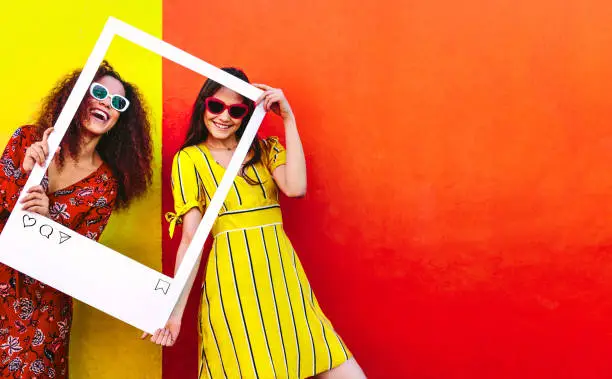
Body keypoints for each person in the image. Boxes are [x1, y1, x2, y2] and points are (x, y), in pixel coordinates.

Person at [147, 67, 366, 378]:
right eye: (216, 106)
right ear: (203, 106)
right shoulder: (189, 160)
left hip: (283, 279)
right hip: (233, 287)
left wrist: (288, 118)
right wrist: (174, 313)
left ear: (245, 114)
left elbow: (296, 188)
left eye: (236, 110)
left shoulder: (263, 150)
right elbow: (190, 241)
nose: (224, 116)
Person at [0, 61, 154, 378]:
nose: (106, 104)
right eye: (98, 93)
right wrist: (27, 175)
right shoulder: (27, 140)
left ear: (120, 120)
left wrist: (47, 223)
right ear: (78, 97)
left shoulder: (105, 184)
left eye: (117, 103)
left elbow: (79, 260)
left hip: (44, 309)